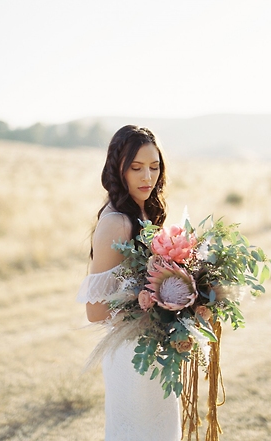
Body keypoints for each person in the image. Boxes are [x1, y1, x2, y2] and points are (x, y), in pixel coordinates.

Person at [77, 125, 181, 441]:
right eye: (136, 168)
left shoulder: (143, 211)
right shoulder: (116, 223)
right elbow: (95, 312)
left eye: (154, 166)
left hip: (153, 346)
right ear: (117, 168)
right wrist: (156, 308)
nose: (147, 177)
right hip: (130, 353)